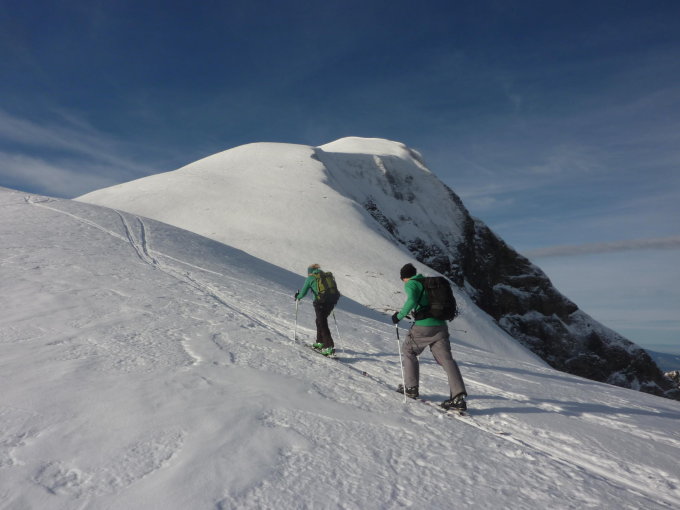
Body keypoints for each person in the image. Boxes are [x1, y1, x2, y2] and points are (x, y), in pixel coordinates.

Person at [392, 263, 468, 411]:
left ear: (404, 277)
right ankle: (458, 397)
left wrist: (399, 316)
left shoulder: (411, 283)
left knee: (408, 350)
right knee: (447, 360)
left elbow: (412, 300)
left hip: (423, 327)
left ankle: (411, 388)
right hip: (441, 326)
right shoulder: (429, 283)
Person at [295, 264, 336, 356]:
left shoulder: (310, 278)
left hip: (320, 302)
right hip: (332, 301)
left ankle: (328, 347)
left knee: (322, 322)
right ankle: (320, 342)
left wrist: (297, 296)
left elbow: (303, 293)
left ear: (309, 272)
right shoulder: (325, 276)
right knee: (319, 321)